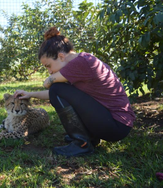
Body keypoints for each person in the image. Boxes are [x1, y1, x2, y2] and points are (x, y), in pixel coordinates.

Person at [14, 26, 136, 157]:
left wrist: (50, 79)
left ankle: (81, 144)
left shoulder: (82, 62)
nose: (49, 71)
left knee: (56, 87)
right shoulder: (79, 63)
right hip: (113, 123)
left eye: (48, 66)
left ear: (61, 56)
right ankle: (89, 138)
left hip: (116, 125)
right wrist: (30, 94)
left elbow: (50, 86)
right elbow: (58, 95)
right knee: (58, 89)